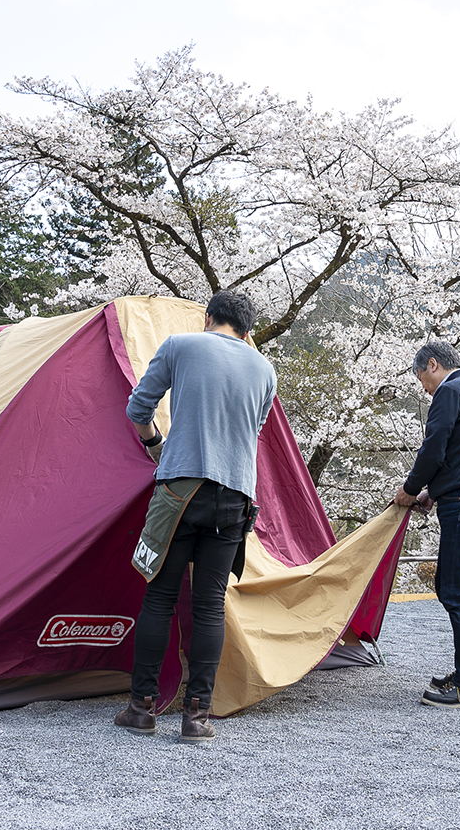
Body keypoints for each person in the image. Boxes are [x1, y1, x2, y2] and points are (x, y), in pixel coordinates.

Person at [112, 291, 277, 740]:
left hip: (180, 490)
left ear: (208, 318)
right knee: (208, 606)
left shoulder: (180, 345)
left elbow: (137, 408)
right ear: (248, 330)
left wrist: (156, 446)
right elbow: (255, 432)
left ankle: (142, 708)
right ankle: (197, 716)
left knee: (159, 599)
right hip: (234, 498)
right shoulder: (265, 369)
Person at [392, 341, 460, 707]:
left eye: (421, 377)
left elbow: (434, 447)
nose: (423, 387)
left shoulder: (450, 391)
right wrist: (434, 494)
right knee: (449, 585)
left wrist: (410, 490)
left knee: (457, 592)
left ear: (433, 365)